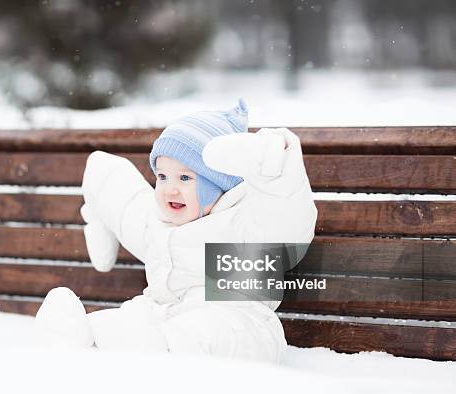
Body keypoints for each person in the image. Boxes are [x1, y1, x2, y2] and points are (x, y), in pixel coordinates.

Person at [34, 99, 317, 363]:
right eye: (162, 176)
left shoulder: (242, 224)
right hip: (163, 315)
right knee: (122, 319)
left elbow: (287, 221)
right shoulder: (157, 222)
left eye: (185, 178)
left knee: (206, 330)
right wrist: (96, 198)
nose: (170, 188)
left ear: (218, 185)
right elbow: (119, 198)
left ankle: (153, 348)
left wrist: (273, 169)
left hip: (241, 322)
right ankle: (75, 335)